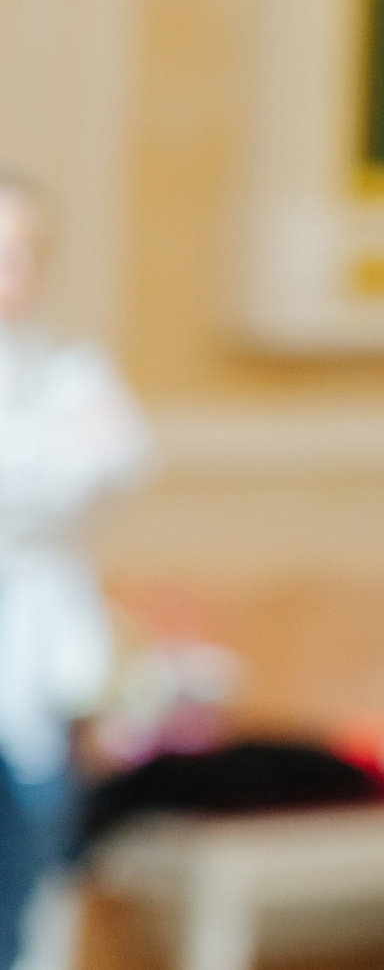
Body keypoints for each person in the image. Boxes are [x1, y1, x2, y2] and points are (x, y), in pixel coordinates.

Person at [0, 175, 150, 970]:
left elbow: (121, 456)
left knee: (39, 862)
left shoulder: (67, 367)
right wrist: (47, 465)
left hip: (39, 661)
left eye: (19, 252)